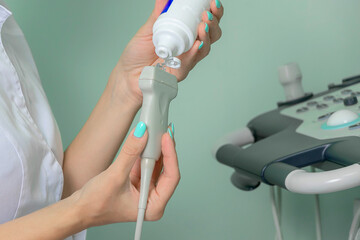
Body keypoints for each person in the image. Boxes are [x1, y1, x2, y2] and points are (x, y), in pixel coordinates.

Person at [0, 0, 223, 239]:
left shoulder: (7, 32)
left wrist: (127, 85)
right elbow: (66, 209)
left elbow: (49, 200)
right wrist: (83, 211)